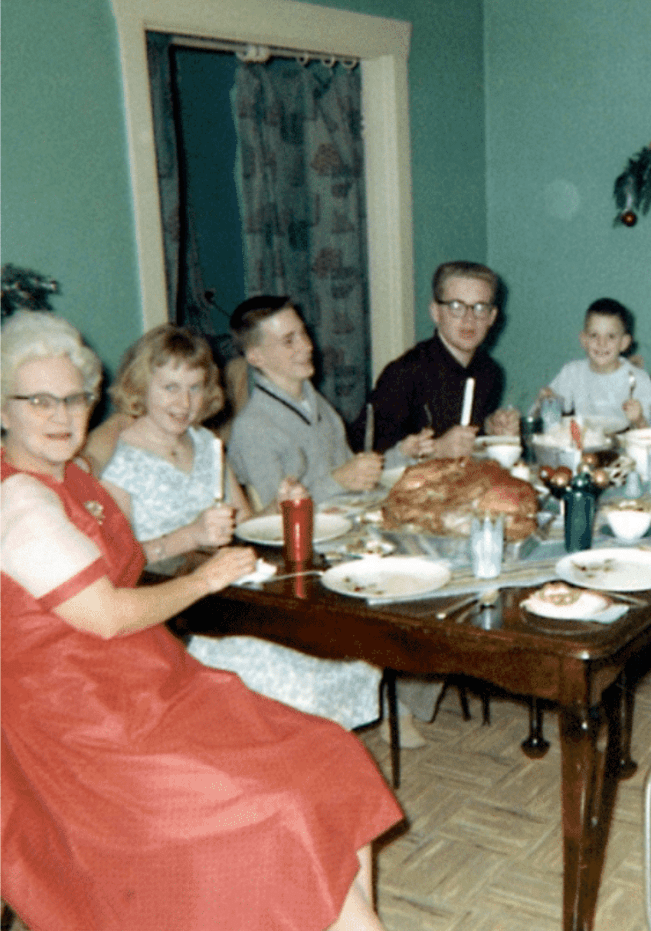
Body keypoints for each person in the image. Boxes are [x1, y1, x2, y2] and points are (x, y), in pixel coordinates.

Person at [0, 311, 402, 931]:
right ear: (4, 410)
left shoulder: (71, 473)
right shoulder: (20, 501)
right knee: (273, 805)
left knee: (329, 753)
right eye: (39, 401)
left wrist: (188, 537)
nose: (61, 416)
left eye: (74, 398)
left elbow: (127, 527)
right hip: (85, 718)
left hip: (148, 680)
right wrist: (202, 579)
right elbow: (105, 615)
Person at [99, 324, 382, 732]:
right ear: (141, 386)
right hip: (176, 616)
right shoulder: (120, 462)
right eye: (170, 388)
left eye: (195, 388)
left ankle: (306, 757)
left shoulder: (207, 445)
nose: (184, 402)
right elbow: (120, 564)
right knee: (296, 678)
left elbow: (246, 526)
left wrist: (279, 507)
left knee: (351, 648)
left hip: (234, 601)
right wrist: (190, 536)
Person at [227, 295, 382, 509]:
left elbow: (352, 474)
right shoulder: (253, 427)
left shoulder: (315, 402)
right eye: (289, 341)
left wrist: (401, 454)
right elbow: (277, 512)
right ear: (255, 357)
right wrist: (337, 480)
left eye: (304, 333)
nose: (307, 346)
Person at [367, 261, 520, 466]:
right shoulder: (403, 374)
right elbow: (371, 461)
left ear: (492, 317)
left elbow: (471, 444)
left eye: (480, 307)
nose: (469, 319)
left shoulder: (489, 371)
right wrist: (436, 449)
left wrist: (491, 429)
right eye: (456, 306)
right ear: (435, 312)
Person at [538, 297, 651, 429]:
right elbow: (544, 416)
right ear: (584, 340)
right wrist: (545, 401)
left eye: (611, 336)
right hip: (584, 441)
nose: (602, 343)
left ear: (624, 343)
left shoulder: (637, 380)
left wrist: (639, 420)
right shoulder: (572, 373)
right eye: (594, 335)